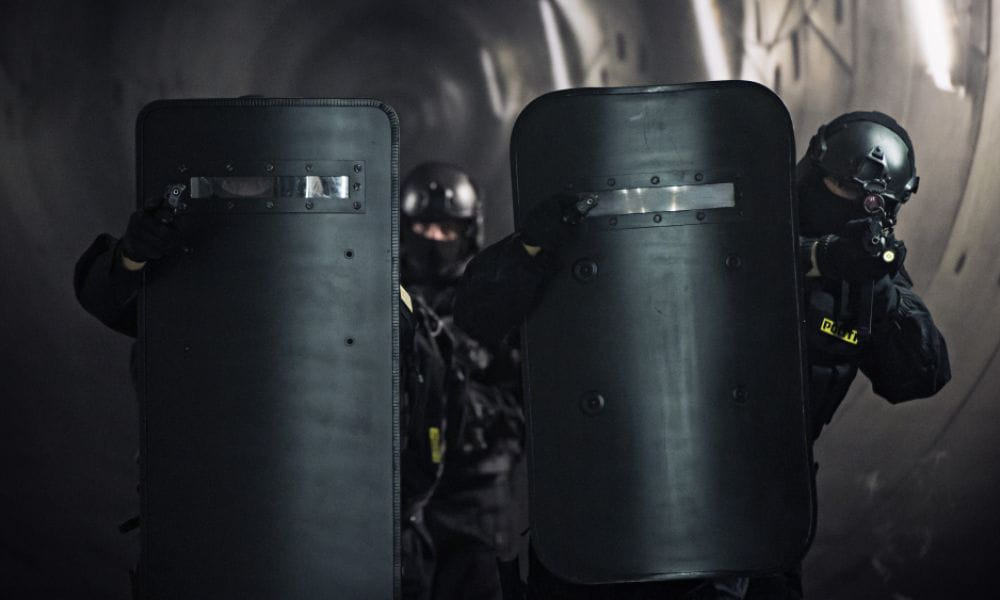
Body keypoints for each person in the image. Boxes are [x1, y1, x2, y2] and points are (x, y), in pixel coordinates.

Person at [452, 111, 950, 599]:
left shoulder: (866, 272)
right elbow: (478, 311)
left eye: (870, 201)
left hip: (755, 522)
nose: (848, 204)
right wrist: (533, 246)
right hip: (614, 501)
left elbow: (919, 376)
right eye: (839, 186)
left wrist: (877, 286)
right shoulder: (727, 215)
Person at [73, 193, 450, 599]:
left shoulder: (376, 297)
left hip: (325, 542)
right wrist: (132, 255)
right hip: (204, 536)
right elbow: (106, 298)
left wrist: (368, 530)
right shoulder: (195, 284)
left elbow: (421, 438)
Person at [400, 162, 525, 600]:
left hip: (475, 497)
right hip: (403, 497)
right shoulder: (386, 298)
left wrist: (460, 404)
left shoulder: (493, 297)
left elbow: (527, 404)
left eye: (447, 229)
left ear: (468, 231)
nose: (435, 239)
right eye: (424, 227)